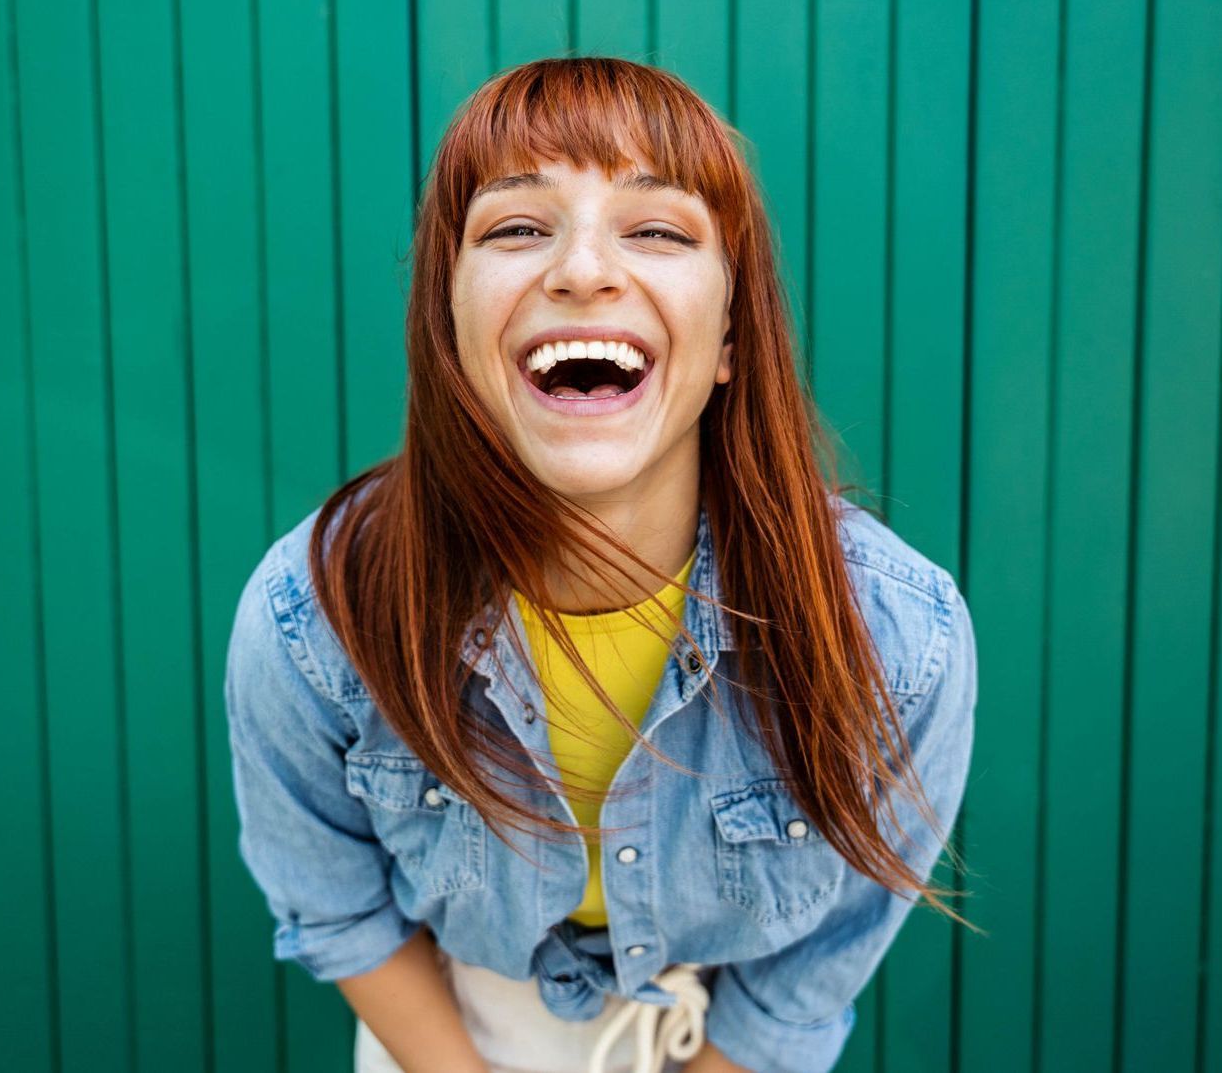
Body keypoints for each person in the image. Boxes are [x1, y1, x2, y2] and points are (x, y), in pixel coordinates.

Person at [224, 55, 979, 1073]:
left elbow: (811, 975)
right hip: (441, 1034)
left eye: (657, 230)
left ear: (726, 336)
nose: (583, 269)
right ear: (450, 323)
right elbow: (332, 902)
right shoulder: (312, 615)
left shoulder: (900, 638)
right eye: (517, 227)